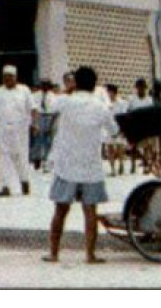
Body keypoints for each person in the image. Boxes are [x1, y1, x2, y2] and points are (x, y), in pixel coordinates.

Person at [44, 65, 119, 265]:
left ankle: (54, 253)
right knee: (90, 211)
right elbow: (113, 131)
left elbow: (49, 105)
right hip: (90, 166)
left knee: (60, 210)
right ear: (95, 85)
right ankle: (90, 254)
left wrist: (68, 90)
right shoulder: (100, 107)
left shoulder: (66, 102)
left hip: (66, 165)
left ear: (75, 82)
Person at [0, 64, 35, 196]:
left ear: (16, 77)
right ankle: (5, 186)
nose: (8, 79)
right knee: (3, 157)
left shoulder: (24, 90)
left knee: (21, 155)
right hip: (2, 129)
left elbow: (33, 108)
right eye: (5, 77)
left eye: (10, 76)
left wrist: (35, 124)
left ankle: (24, 181)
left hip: (20, 130)